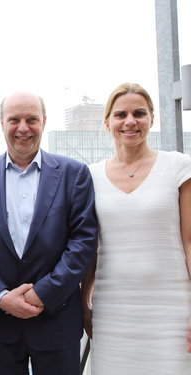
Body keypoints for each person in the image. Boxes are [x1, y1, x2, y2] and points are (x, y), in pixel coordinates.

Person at [0, 91, 98, 375]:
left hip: (57, 322)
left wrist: (42, 294)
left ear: (43, 121)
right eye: (14, 119)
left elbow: (83, 242)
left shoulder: (74, 174)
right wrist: (2, 297)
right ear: (1, 123)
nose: (23, 127)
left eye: (31, 119)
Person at [81, 82, 191, 374]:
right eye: (120, 115)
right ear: (107, 123)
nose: (130, 121)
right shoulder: (89, 176)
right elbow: (89, 248)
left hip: (173, 310)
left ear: (152, 119)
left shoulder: (179, 167)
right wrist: (83, 302)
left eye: (139, 113)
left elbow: (190, 243)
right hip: (111, 311)